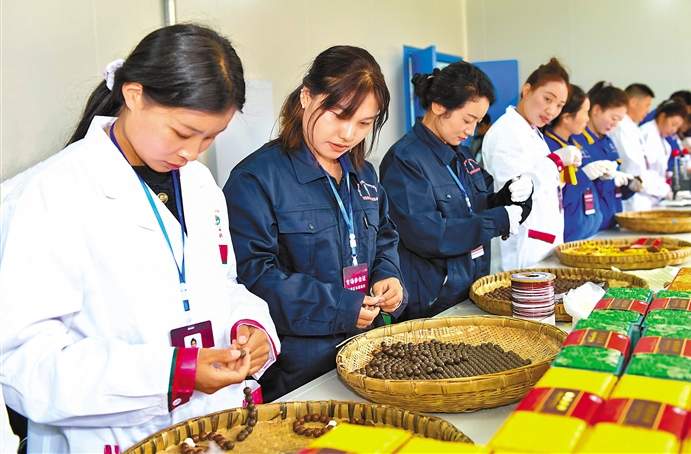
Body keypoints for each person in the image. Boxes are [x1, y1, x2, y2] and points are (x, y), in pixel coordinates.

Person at [0, 24, 279, 453]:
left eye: (210, 137)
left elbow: (219, 286)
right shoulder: (47, 195)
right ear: (133, 95)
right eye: (182, 133)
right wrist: (169, 374)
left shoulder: (200, 185)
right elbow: (25, 364)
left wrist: (250, 327)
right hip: (110, 438)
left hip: (208, 429)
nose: (192, 153)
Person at [224, 46, 406, 402]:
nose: (348, 134)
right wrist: (339, 306)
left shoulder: (364, 174)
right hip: (300, 368)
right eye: (339, 115)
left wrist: (389, 276)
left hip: (367, 351)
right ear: (306, 96)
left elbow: (385, 236)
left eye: (364, 123)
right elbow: (253, 276)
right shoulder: (257, 179)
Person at [380, 62, 533, 319]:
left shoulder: (463, 154)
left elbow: (483, 204)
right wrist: (497, 220)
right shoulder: (405, 160)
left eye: (477, 122)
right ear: (439, 106)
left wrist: (512, 196)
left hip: (471, 289)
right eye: (467, 120)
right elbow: (429, 235)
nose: (471, 131)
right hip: (432, 303)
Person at [482, 58, 580, 271]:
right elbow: (514, 192)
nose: (552, 110)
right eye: (547, 99)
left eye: (559, 105)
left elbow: (537, 180)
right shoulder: (507, 131)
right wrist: (555, 161)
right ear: (527, 91)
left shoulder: (532, 130)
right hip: (520, 248)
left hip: (540, 244)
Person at [572, 82, 643, 231]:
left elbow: (615, 190)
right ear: (597, 110)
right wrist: (610, 181)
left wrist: (629, 186)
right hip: (590, 226)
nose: (615, 124)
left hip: (612, 222)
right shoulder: (578, 142)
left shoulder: (608, 142)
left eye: (619, 120)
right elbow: (578, 188)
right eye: (613, 117)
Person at [543, 85, 603, 241]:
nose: (588, 119)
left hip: (587, 232)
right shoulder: (548, 148)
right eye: (585, 113)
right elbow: (556, 197)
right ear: (567, 117)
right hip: (567, 236)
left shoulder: (577, 143)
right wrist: (585, 176)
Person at [631, 98, 689, 209]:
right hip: (642, 198)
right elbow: (643, 172)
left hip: (654, 197)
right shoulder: (647, 134)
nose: (674, 130)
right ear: (662, 116)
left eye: (677, 127)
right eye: (673, 124)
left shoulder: (662, 138)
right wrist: (663, 189)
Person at [610, 83, 656, 212]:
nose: (648, 111)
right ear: (633, 102)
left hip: (640, 197)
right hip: (629, 196)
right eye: (646, 105)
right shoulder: (620, 126)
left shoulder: (632, 127)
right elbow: (630, 164)